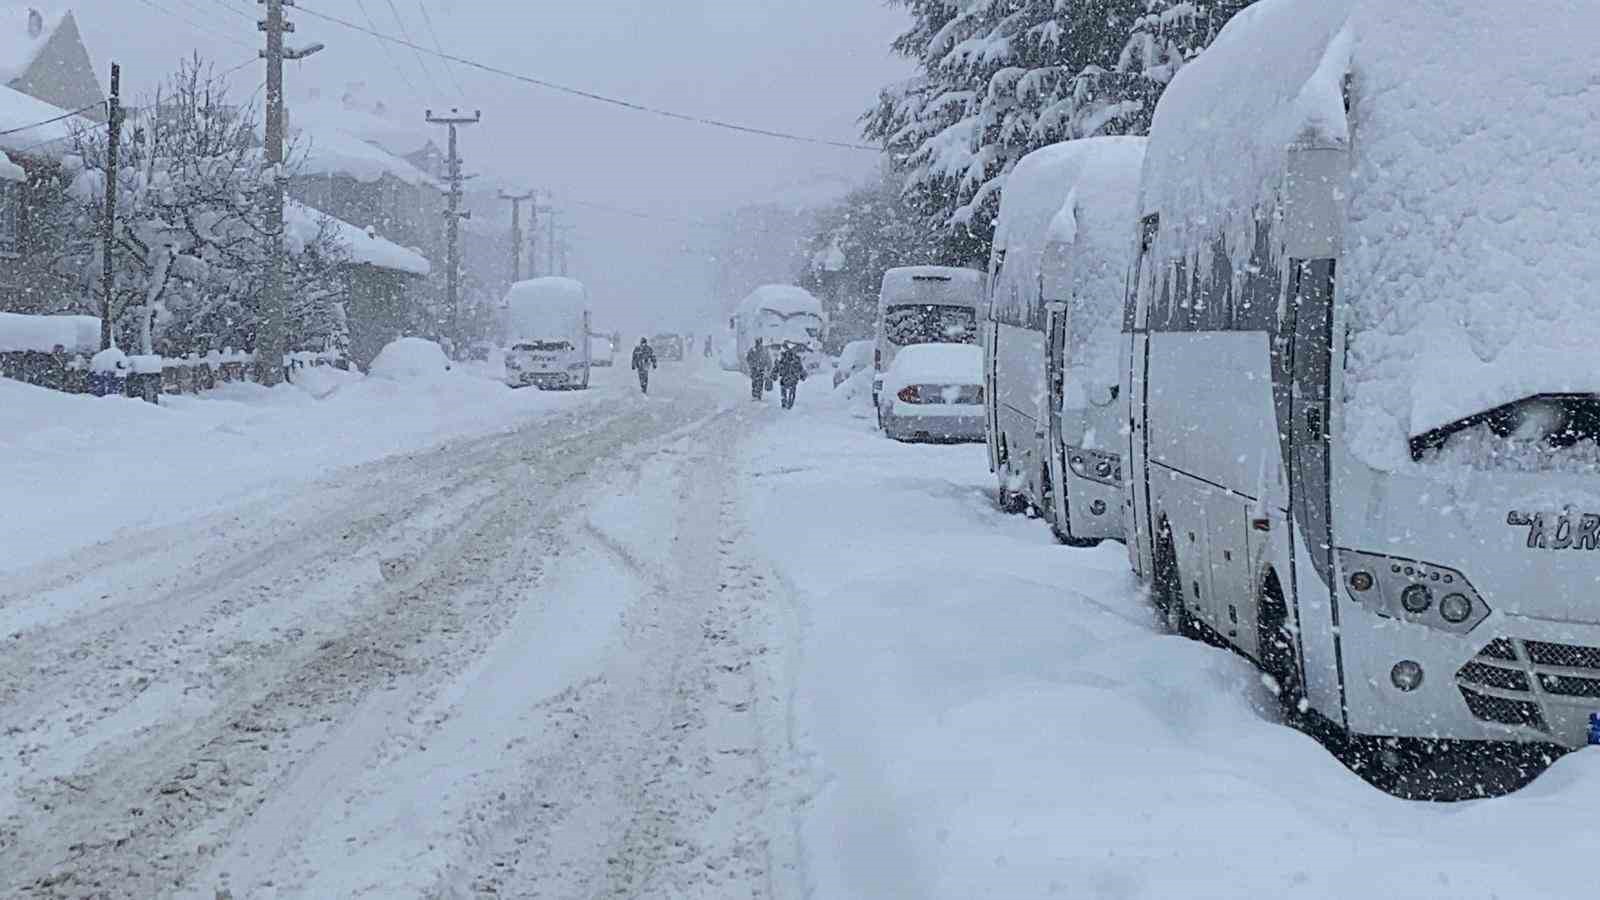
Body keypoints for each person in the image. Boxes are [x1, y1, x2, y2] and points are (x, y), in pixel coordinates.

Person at [774, 342, 806, 410]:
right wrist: (802, 376)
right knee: (790, 392)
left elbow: (777, 367)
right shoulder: (792, 359)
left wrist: (774, 373)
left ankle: (786, 404)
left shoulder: (785, 358)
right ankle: (787, 405)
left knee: (786, 391)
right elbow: (800, 368)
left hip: (787, 379)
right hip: (791, 379)